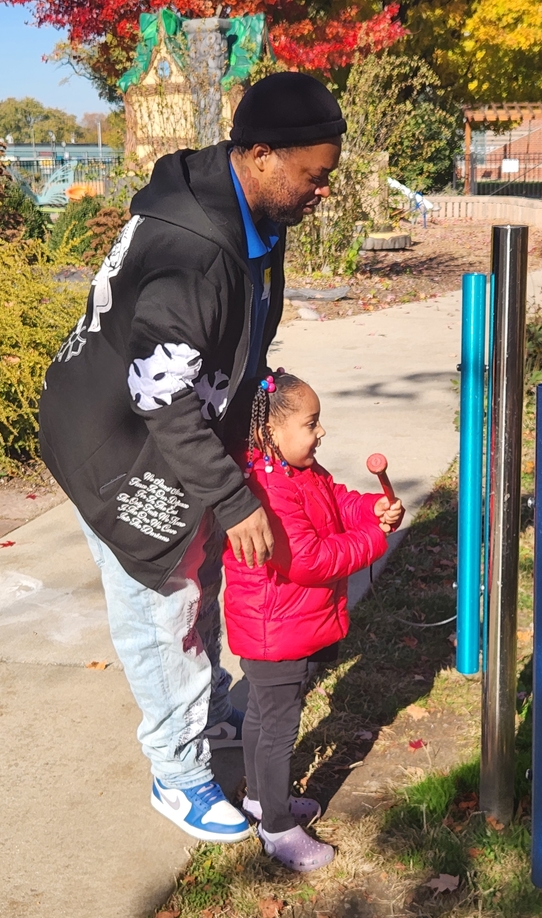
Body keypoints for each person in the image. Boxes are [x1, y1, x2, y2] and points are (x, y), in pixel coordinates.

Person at [38, 73, 348, 843]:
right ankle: (176, 773)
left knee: (201, 578)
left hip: (168, 436)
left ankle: (205, 714)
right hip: (117, 449)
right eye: (313, 176)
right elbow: (158, 396)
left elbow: (232, 346)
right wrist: (233, 498)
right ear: (262, 154)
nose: (321, 192)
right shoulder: (194, 250)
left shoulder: (250, 216)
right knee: (164, 607)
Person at [223, 372, 404, 871]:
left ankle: (260, 800)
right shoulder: (266, 487)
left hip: (281, 624)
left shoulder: (299, 471)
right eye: (311, 423)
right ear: (269, 433)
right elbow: (307, 559)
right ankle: (278, 829)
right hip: (274, 628)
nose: (320, 432)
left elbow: (337, 500)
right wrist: (373, 541)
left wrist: (373, 509)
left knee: (263, 716)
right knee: (278, 727)